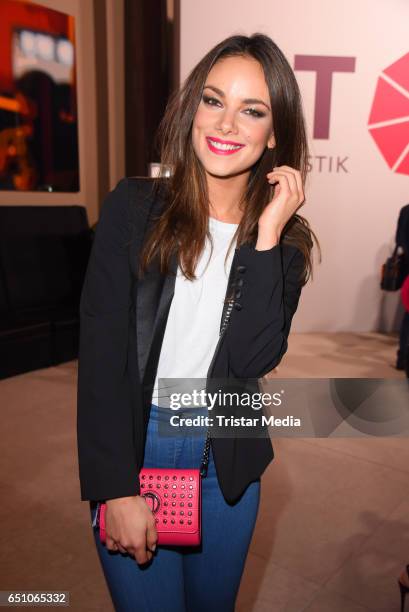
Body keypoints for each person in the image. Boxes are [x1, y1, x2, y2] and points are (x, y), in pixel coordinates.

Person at [77, 33, 318, 611]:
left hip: (227, 463)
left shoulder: (286, 246)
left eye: (252, 110)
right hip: (140, 447)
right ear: (193, 109)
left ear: (275, 132)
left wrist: (264, 239)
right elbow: (103, 356)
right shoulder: (134, 209)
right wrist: (115, 487)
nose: (227, 123)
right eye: (214, 101)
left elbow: (254, 359)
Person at [395, 204, 409, 370]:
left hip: (406, 266)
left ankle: (402, 358)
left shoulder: (405, 209)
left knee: (407, 316)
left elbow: (399, 240)